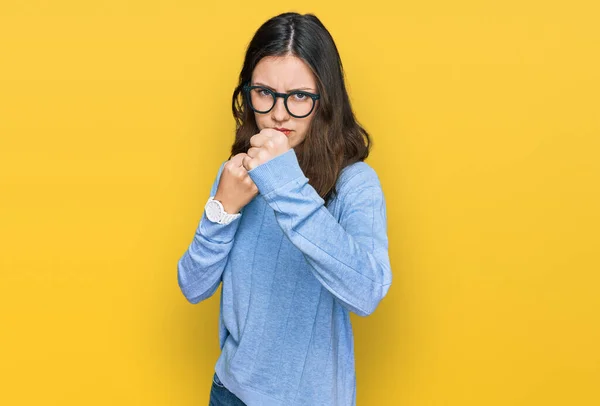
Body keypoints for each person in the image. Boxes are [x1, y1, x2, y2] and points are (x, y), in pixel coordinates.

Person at [177, 12, 392, 406]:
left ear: (324, 100)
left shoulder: (354, 184)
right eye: (264, 92)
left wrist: (283, 182)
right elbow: (193, 287)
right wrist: (222, 208)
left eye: (298, 97)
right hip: (229, 394)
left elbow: (367, 292)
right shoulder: (237, 174)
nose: (278, 113)